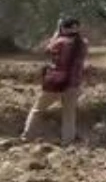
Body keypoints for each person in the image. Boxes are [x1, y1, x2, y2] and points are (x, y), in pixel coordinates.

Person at [21, 17, 89, 145]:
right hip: (73, 84)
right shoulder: (84, 43)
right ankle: (68, 141)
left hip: (55, 84)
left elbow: (47, 50)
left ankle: (27, 136)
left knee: (37, 110)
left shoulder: (60, 41)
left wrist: (56, 33)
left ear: (63, 28)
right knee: (69, 115)